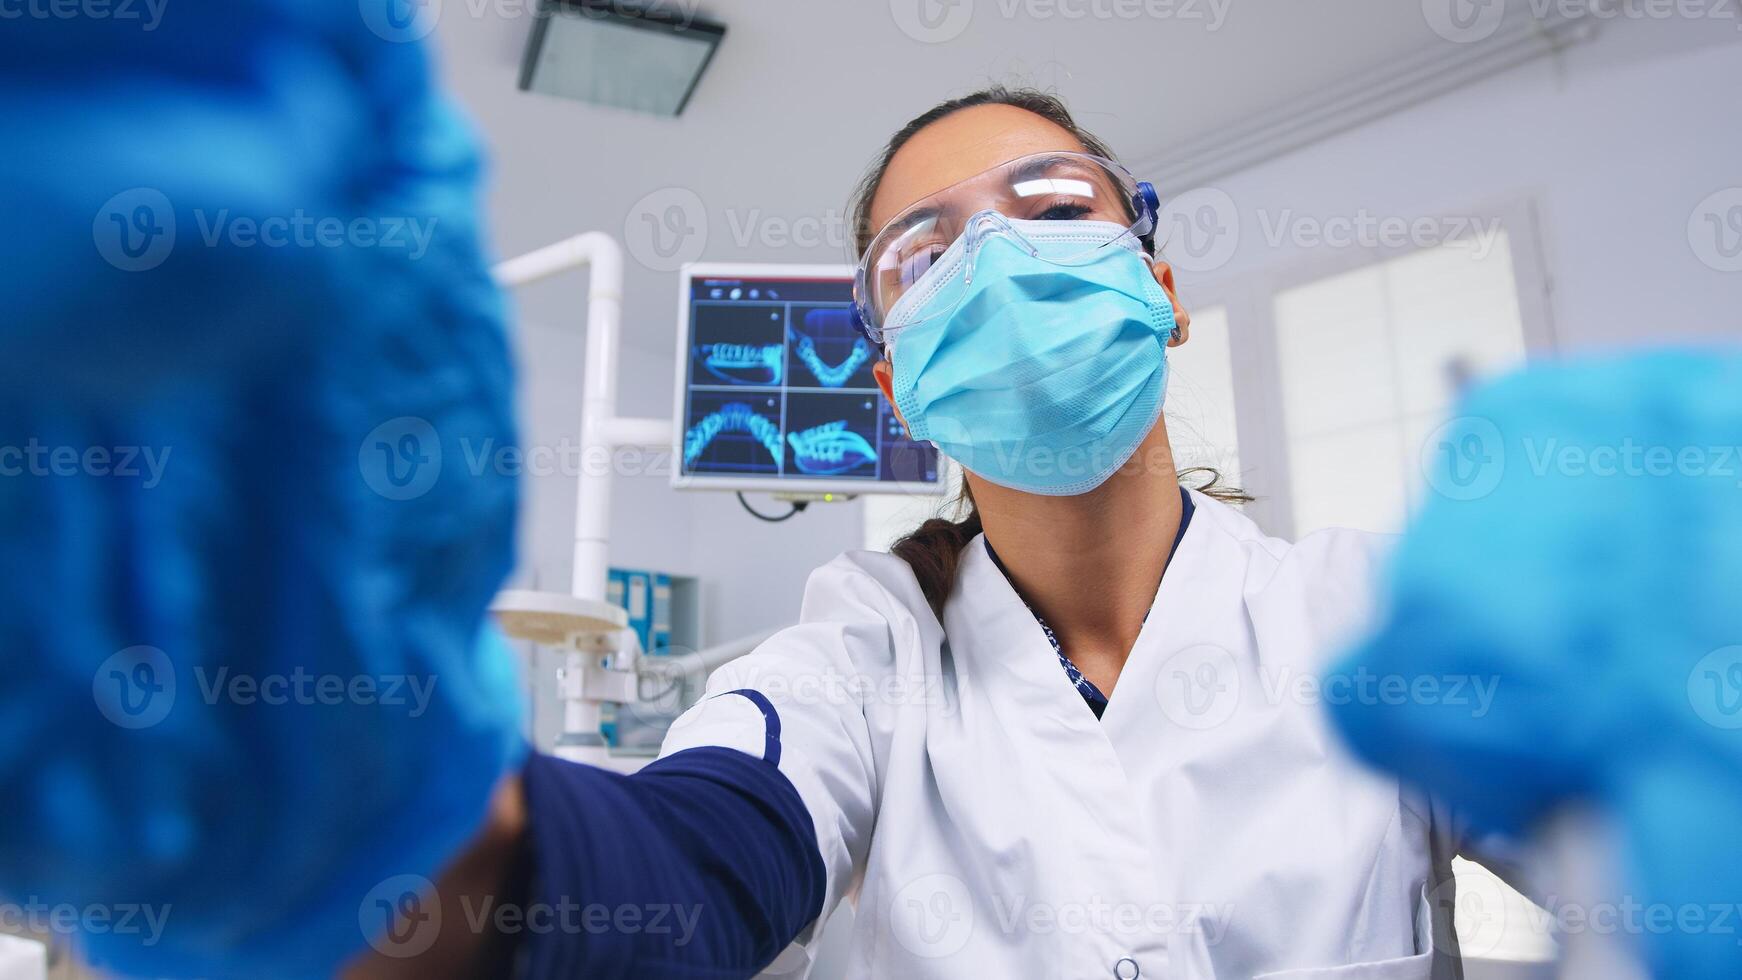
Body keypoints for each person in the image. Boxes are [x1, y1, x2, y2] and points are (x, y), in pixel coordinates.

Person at [344, 88, 1531, 980]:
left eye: (1055, 207)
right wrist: (412, 818)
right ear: (895, 382)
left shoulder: (1380, 620)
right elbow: (689, 860)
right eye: (923, 253)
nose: (997, 263)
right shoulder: (861, 656)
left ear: (1159, 289)